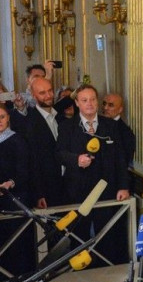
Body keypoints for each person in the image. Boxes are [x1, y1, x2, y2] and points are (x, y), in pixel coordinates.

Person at [56, 84, 130, 266]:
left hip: (106, 191)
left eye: (92, 99)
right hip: (77, 191)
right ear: (77, 103)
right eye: (84, 100)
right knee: (77, 236)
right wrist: (76, 159)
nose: (89, 104)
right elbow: (59, 154)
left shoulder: (111, 125)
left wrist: (123, 186)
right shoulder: (67, 126)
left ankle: (105, 273)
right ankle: (77, 274)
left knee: (106, 236)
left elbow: (120, 159)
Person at [0, 102, 35, 278]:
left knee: (18, 243)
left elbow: (25, 170)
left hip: (16, 198)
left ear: (8, 118)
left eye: (2, 117)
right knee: (0, 241)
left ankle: (22, 278)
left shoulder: (17, 140)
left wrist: (10, 183)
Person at [20, 77, 67, 209]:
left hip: (69, 183)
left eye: (50, 91)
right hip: (48, 187)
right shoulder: (29, 123)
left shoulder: (61, 117)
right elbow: (33, 161)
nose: (48, 96)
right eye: (42, 93)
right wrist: (39, 193)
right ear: (34, 96)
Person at [101, 92, 135, 167]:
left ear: (120, 109)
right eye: (104, 103)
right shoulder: (97, 124)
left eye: (110, 105)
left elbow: (124, 161)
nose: (105, 108)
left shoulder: (125, 132)